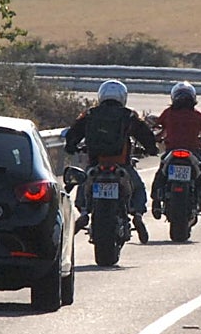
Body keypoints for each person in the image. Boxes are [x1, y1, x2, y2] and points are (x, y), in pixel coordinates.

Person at [64, 79, 158, 242]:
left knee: (84, 183)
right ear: (123, 97)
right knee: (138, 188)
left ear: (101, 96)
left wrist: (71, 146)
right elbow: (145, 134)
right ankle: (137, 215)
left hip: (96, 165)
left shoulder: (90, 114)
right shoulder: (129, 115)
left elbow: (73, 132)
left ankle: (84, 213)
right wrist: (151, 149)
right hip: (121, 165)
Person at [150, 81, 201, 217]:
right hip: (192, 151)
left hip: (172, 151)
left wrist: (156, 138)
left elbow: (158, 129)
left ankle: (156, 200)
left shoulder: (168, 113)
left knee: (160, 175)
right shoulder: (197, 115)